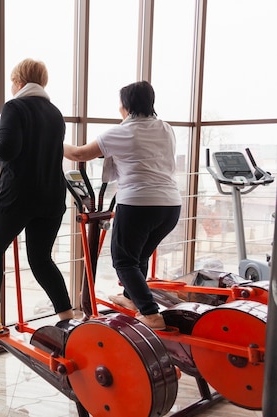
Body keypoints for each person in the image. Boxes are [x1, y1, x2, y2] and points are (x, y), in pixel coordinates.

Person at [0, 58, 74, 332]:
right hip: (52, 196)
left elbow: (6, 150)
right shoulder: (55, 113)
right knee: (40, 258)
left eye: (13, 81)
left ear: (19, 81)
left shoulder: (15, 106)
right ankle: (68, 319)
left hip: (18, 197)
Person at [63, 80, 181, 330]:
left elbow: (79, 154)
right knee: (138, 257)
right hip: (170, 206)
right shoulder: (166, 128)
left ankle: (151, 314)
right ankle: (130, 297)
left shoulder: (122, 132)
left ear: (125, 105)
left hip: (139, 204)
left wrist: (52, 142)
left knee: (124, 261)